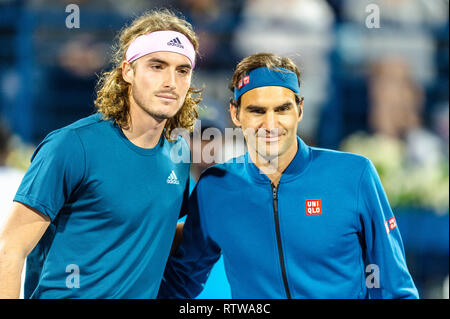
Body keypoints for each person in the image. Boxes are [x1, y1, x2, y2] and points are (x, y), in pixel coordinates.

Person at [158, 53, 419, 299]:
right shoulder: (215, 187)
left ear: (300, 110)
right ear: (235, 114)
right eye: (257, 111)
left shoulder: (355, 174)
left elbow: (394, 286)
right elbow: (181, 283)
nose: (271, 124)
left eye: (282, 109)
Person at [0, 9, 201, 299]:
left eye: (182, 70)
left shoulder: (179, 153)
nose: (171, 81)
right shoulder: (71, 146)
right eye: (157, 66)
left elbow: (153, 231)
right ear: (128, 71)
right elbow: (11, 248)